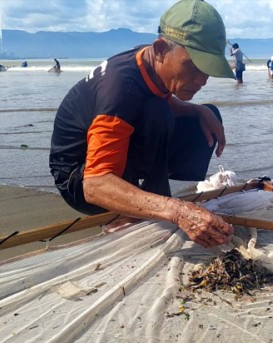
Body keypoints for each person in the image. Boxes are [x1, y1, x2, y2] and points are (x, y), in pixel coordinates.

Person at [49, 0, 235, 248]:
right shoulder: (119, 90)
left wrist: (198, 110)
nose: (201, 80)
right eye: (192, 66)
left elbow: (155, 103)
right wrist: (177, 211)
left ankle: (148, 199)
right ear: (160, 49)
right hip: (78, 180)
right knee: (156, 111)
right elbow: (94, 185)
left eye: (207, 69)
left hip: (108, 163)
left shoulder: (148, 62)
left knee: (204, 114)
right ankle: (127, 214)